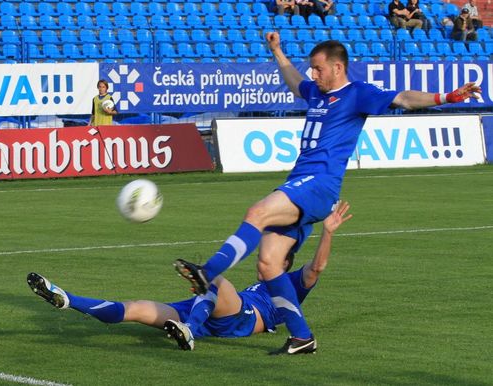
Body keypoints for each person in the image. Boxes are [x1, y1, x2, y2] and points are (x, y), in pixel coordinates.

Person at [173, 34, 481, 355]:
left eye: (318, 69)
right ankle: (302, 337)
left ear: (337, 67)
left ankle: (208, 272)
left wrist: (446, 96)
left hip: (318, 184)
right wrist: (277, 52)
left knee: (257, 212)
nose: (313, 75)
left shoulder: (357, 93)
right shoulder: (317, 94)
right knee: (268, 265)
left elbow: (403, 98)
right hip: (302, 183)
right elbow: (295, 83)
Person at [28, 202, 353, 352]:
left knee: (215, 281)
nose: (260, 261)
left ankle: (190, 329)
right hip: (214, 308)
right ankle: (68, 299)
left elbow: (316, 269)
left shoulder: (293, 283)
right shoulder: (262, 279)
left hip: (241, 317)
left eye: (269, 256)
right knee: (137, 308)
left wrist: (327, 232)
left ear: (286, 259)